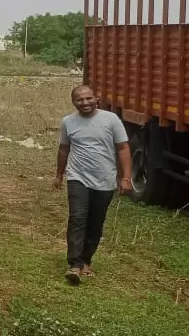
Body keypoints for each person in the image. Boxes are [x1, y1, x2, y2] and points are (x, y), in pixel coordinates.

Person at [54, 84, 132, 285]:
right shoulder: (68, 122)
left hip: (105, 180)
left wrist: (126, 178)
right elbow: (64, 149)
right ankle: (75, 264)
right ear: (74, 102)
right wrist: (59, 175)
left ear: (97, 99)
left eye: (88, 98)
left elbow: (123, 148)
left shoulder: (111, 120)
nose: (85, 103)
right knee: (77, 218)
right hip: (77, 177)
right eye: (79, 100)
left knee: (95, 222)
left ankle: (86, 260)